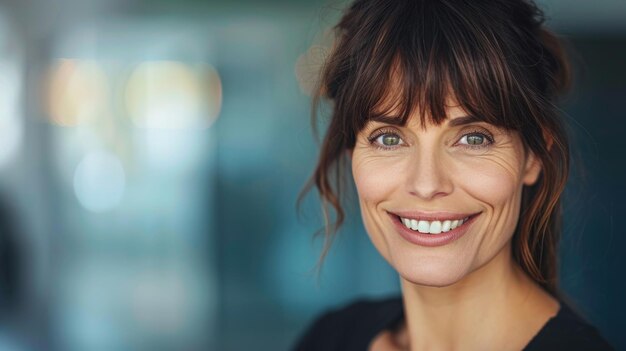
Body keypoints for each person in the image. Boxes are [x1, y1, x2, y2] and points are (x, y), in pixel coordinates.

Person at [294, 0, 614, 350]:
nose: (427, 184)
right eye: (389, 138)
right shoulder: (329, 337)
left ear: (533, 156)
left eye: (473, 139)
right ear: (351, 150)